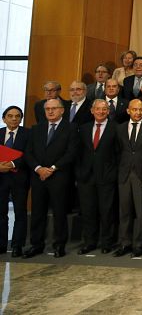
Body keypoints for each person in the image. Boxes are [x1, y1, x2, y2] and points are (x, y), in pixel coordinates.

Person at [23, 99, 79, 258]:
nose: (50, 111)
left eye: (54, 108)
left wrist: (53, 168)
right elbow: (28, 152)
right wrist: (38, 168)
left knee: (59, 212)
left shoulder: (71, 128)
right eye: (47, 109)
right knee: (37, 212)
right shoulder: (36, 128)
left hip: (59, 176)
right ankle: (36, 244)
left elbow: (71, 152)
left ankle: (59, 245)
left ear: (62, 110)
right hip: (38, 176)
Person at [76, 99, 119, 255]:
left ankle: (107, 242)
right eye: (98, 109)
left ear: (108, 111)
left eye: (104, 109)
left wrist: (113, 174)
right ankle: (89, 242)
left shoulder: (116, 128)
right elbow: (78, 153)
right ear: (92, 110)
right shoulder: (84, 128)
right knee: (88, 211)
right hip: (86, 177)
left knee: (106, 211)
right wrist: (79, 173)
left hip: (106, 177)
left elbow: (118, 154)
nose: (101, 112)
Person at [114, 99, 142, 258]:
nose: (138, 113)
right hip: (124, 174)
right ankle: (125, 243)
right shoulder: (120, 128)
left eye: (140, 110)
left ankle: (140, 243)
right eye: (135, 110)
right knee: (124, 211)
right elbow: (117, 151)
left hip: (141, 174)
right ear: (128, 111)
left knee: (141, 211)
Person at [0, 106, 29, 257]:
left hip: (19, 178)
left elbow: (29, 154)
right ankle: (1, 244)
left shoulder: (28, 134)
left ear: (21, 118)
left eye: (17, 116)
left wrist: (12, 164)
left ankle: (17, 245)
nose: (13, 119)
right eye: (10, 116)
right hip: (1, 178)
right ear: (4, 118)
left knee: (20, 213)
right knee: (1, 213)